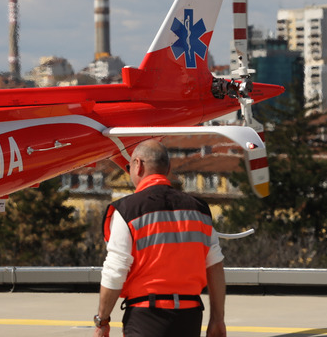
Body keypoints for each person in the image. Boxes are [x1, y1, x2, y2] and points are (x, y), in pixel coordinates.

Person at [93, 139, 227, 337]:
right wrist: (217, 319)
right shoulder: (199, 209)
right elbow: (215, 266)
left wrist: (102, 320)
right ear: (168, 168)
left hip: (146, 317)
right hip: (189, 317)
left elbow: (115, 270)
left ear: (138, 165)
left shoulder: (127, 210)